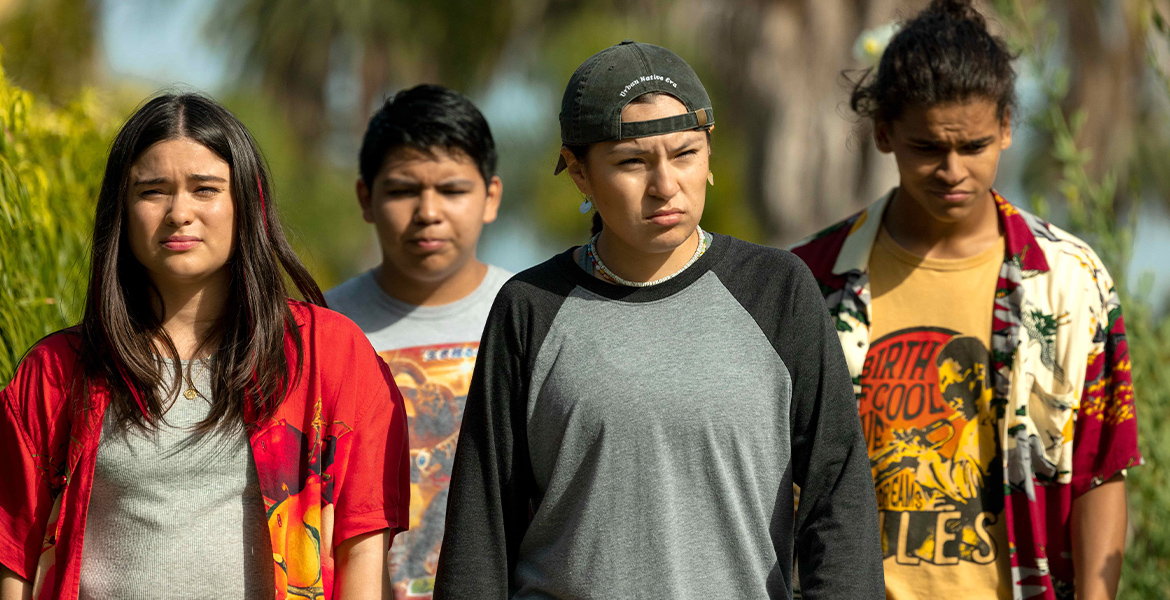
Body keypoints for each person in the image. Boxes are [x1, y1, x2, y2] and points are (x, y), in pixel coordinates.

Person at [434, 40, 884, 599]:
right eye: (631, 162)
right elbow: (482, 525)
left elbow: (838, 498)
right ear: (578, 172)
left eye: (685, 154)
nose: (665, 185)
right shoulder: (530, 307)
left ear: (710, 154)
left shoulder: (778, 290)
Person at [791, 2, 1142, 598]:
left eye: (974, 145)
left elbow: (1100, 467)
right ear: (884, 134)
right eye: (927, 148)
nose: (952, 170)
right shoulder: (811, 282)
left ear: (1007, 126)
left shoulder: (1070, 281)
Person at [0, 93, 410, 600]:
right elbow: (12, 553)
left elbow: (362, 546)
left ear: (247, 203)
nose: (179, 213)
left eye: (205, 189)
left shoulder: (327, 353)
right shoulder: (57, 371)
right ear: (121, 210)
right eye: (153, 191)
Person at [325, 83, 511, 599]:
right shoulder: (319, 328)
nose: (428, 211)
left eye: (453, 190)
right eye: (404, 190)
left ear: (490, 197)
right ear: (366, 197)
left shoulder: (530, 318)